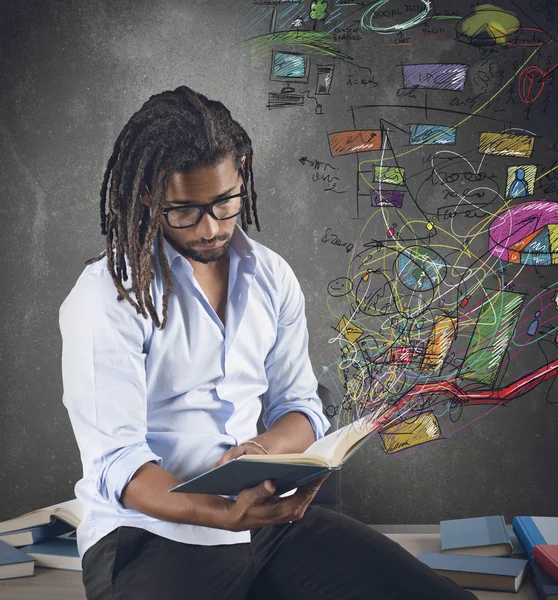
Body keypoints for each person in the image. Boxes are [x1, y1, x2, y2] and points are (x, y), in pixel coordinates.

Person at [59, 85, 476, 600]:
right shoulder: (108, 295)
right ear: (149, 197)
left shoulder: (271, 276)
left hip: (268, 521)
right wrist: (222, 513)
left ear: (243, 173)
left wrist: (261, 449)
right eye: (185, 210)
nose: (211, 228)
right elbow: (117, 464)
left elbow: (300, 408)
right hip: (150, 534)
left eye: (225, 202)